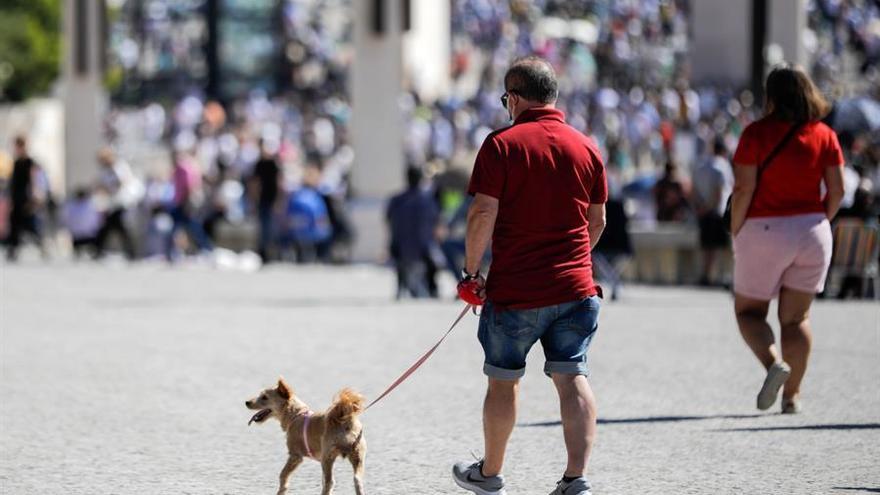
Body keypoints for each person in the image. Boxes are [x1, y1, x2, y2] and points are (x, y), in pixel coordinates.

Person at [452, 57, 607, 495]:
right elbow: (597, 222)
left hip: (517, 288)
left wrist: (471, 272)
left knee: (503, 379)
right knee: (572, 376)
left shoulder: (502, 145)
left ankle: (491, 473)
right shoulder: (587, 146)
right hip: (576, 288)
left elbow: (483, 212)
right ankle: (575, 479)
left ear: (515, 97)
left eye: (506, 99)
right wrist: (570, 258)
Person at [730, 65, 845, 415]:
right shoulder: (825, 134)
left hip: (764, 229)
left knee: (749, 312)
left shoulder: (755, 133)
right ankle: (792, 395)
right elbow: (838, 191)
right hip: (812, 230)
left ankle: (773, 365)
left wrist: (737, 229)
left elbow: (744, 187)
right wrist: (817, 221)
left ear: (771, 96)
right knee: (796, 319)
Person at [386, 166, 440, 299]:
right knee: (432, 263)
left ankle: (400, 288)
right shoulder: (427, 200)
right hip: (423, 246)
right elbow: (435, 220)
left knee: (400, 260)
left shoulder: (396, 200)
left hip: (400, 246)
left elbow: (388, 219)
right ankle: (432, 289)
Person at [692, 138, 734, 286]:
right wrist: (710, 207)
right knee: (721, 247)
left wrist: (700, 208)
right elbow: (719, 192)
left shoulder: (701, 166)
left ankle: (706, 275)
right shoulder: (721, 166)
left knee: (707, 247)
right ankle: (723, 277)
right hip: (718, 212)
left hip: (703, 212)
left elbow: (694, 190)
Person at [165, 151, 212, 261]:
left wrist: (186, 203)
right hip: (180, 202)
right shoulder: (179, 169)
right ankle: (174, 251)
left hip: (184, 203)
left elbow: (190, 186)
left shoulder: (184, 168)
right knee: (184, 227)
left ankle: (206, 248)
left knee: (192, 227)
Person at [5, 136, 46, 261]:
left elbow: (34, 180)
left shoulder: (30, 162)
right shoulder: (16, 162)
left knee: (29, 224)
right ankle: (13, 250)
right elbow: (13, 183)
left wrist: (34, 197)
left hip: (26, 198)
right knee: (14, 224)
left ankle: (41, 245)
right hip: (17, 197)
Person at [94, 148, 138, 260]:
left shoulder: (119, 167)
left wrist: (110, 188)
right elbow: (102, 184)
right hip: (113, 202)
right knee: (113, 227)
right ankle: (129, 252)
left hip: (122, 201)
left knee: (115, 227)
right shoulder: (105, 170)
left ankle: (131, 252)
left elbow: (123, 181)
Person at [250, 139, 282, 262]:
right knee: (264, 227)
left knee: (271, 227)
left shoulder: (274, 164)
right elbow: (255, 184)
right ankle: (264, 253)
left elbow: (279, 184)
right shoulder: (259, 164)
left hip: (271, 199)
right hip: (263, 200)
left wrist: (279, 201)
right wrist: (255, 200)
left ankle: (271, 252)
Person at [62, 188, 102, 259]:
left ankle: (79, 250)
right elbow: (97, 221)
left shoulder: (70, 206)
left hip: (77, 236)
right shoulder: (91, 205)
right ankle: (95, 252)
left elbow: (66, 219)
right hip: (89, 236)